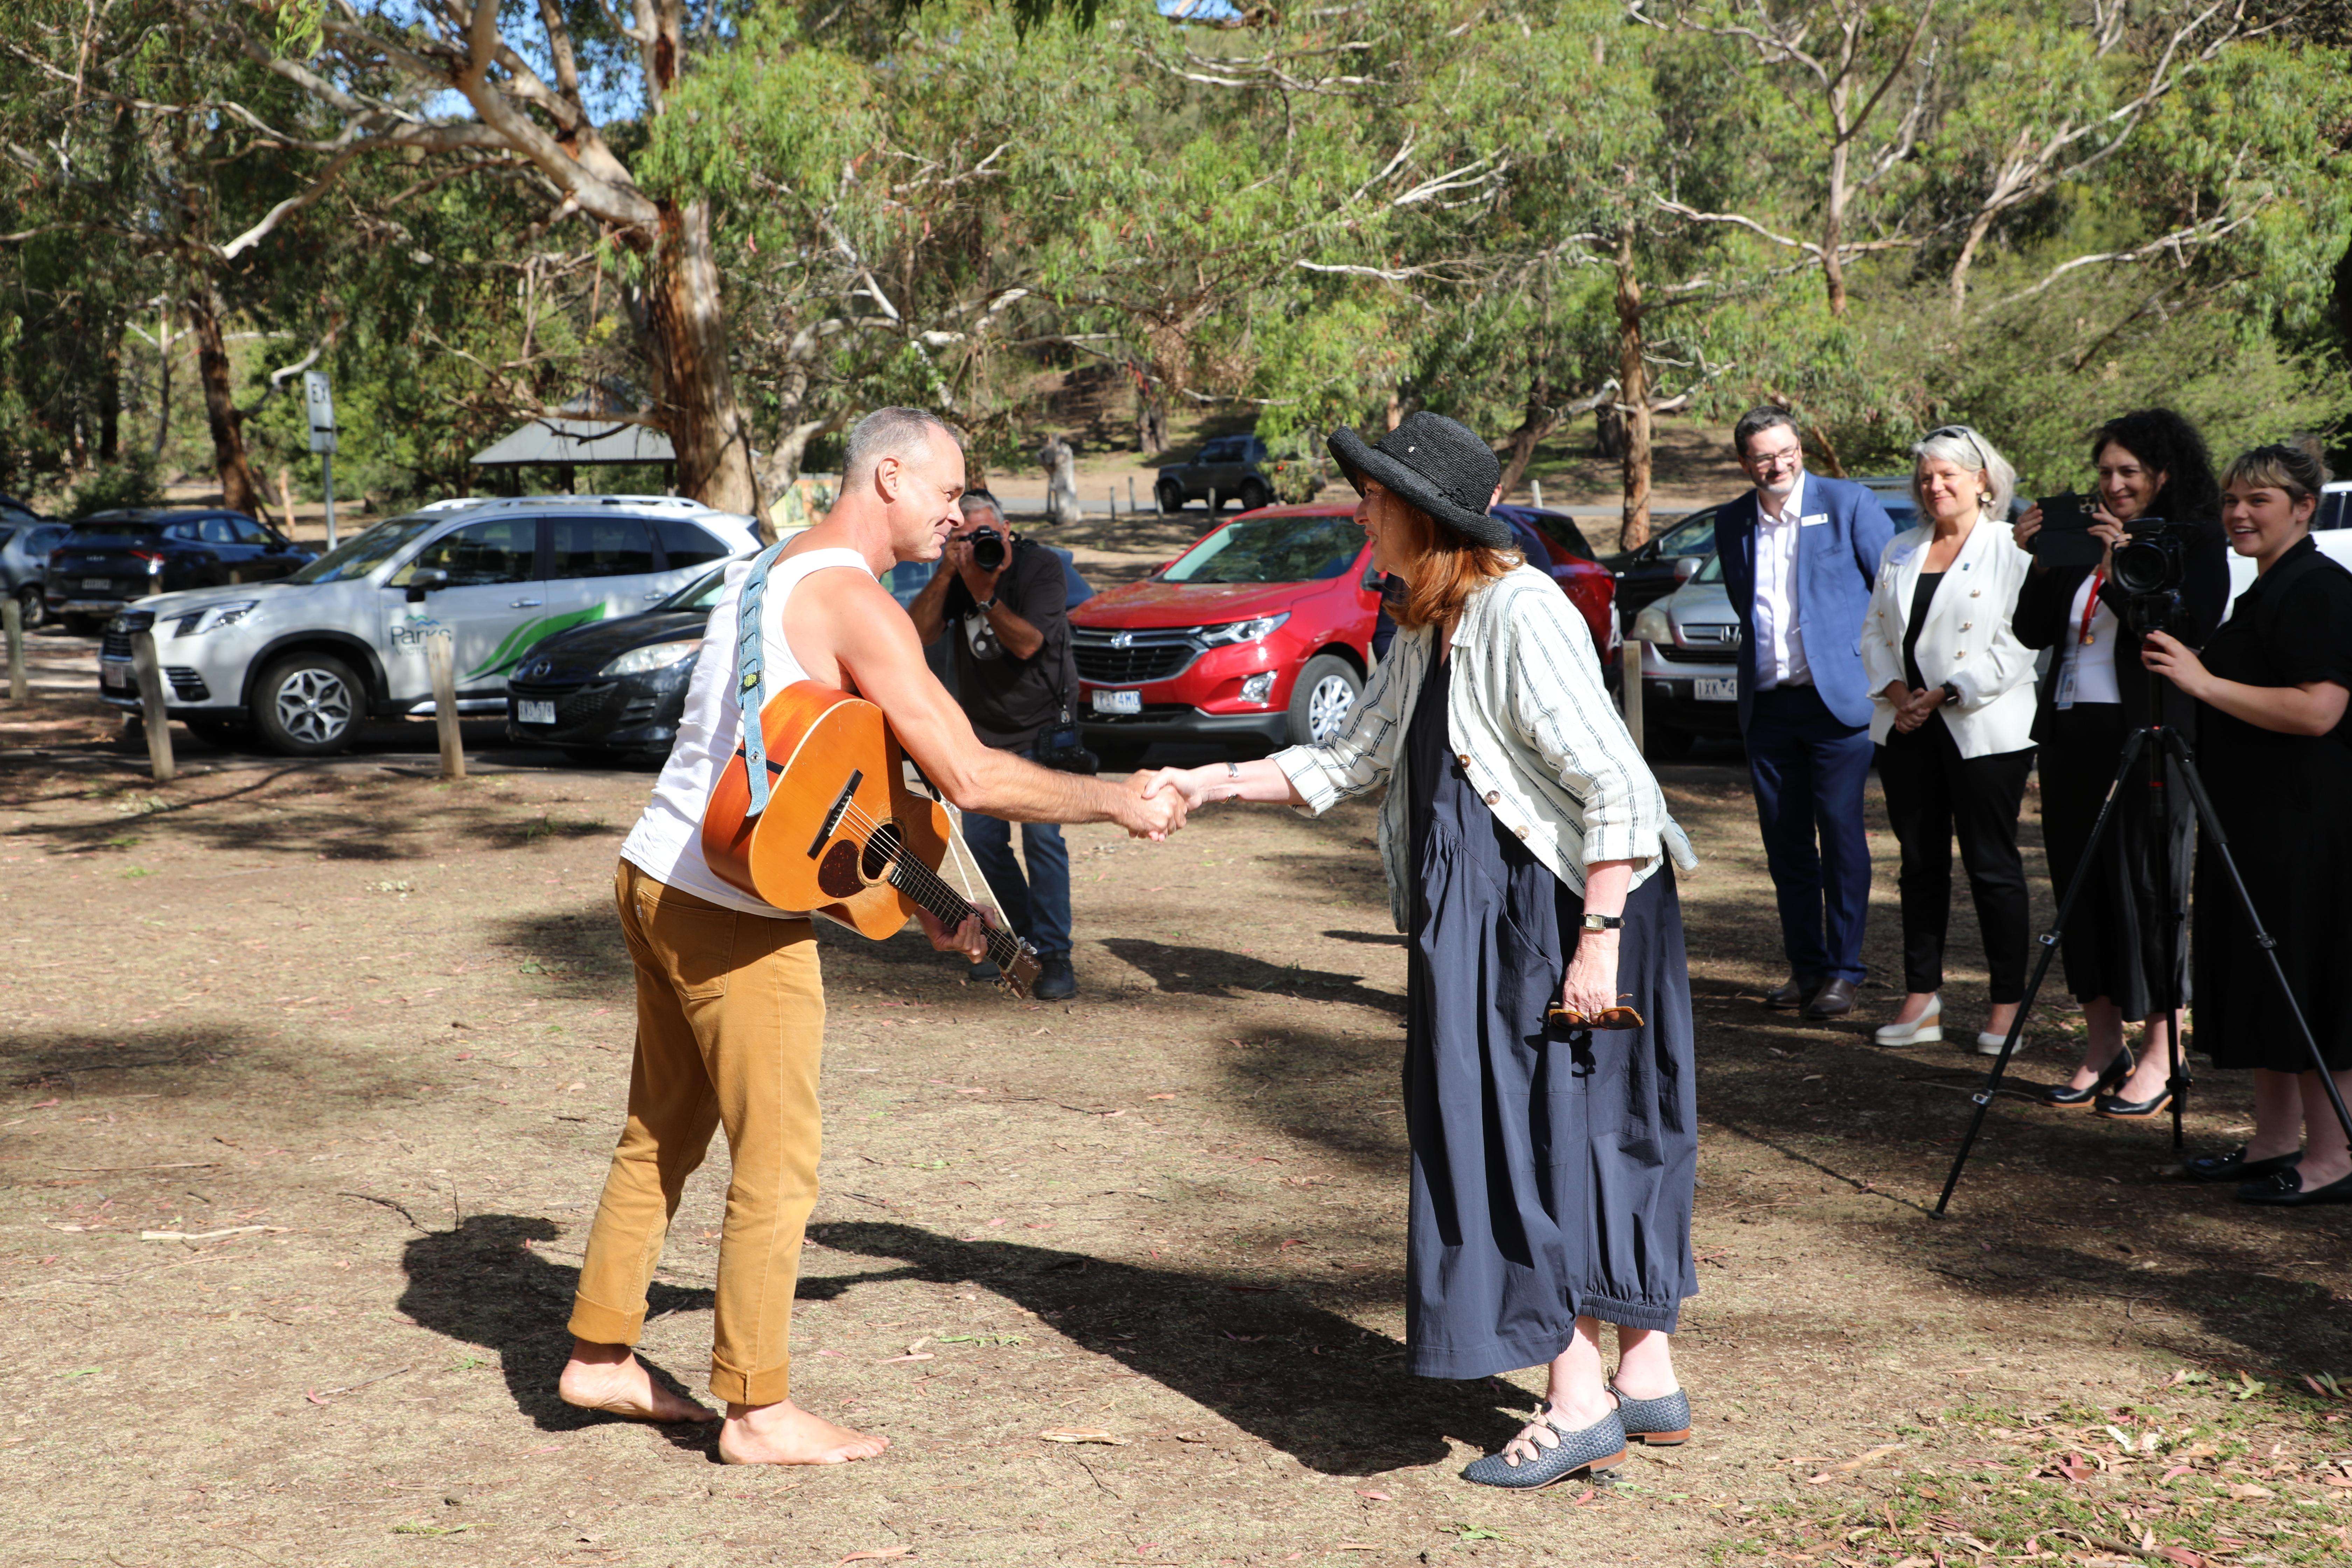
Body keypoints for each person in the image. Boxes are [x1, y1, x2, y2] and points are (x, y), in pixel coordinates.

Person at [556, 408, 1185, 1464]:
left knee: (660, 1132)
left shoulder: (772, 570)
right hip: (732, 917)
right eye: (946, 494)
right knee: (781, 1161)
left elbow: (821, 777)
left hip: (656, 872)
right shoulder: (857, 601)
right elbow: (972, 775)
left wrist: (921, 898)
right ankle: (757, 1411)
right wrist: (1115, 800)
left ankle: (602, 1352)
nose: (957, 515)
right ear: (887, 476)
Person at [1146, 411, 1702, 1490]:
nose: (1361, 510)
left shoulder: (1518, 611)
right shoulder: (1423, 623)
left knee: (1523, 1144)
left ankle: (1579, 1401)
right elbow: (1352, 757)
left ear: (1420, 515)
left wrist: (1596, 946)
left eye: (1373, 497)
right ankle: (1647, 1380)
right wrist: (1206, 783)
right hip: (1501, 917)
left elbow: (1616, 787)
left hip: (1563, 914)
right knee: (1583, 1138)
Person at [2142, 442, 2352, 1203]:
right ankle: (2272, 1143)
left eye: (2258, 500)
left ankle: (2333, 1157)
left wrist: (2202, 679)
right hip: (2254, 821)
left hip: (2308, 825)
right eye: (2232, 499)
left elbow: (2319, 710)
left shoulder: (2319, 588)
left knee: (2310, 979)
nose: (2238, 512)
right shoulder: (2265, 588)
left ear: (2305, 507)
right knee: (2268, 975)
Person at [2011, 409, 2227, 1117]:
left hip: (2151, 731)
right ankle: (2103, 1044)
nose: (2114, 483)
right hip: (2075, 733)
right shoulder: (2081, 538)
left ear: (2163, 474)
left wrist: (2117, 563)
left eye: (2129, 471)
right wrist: (2045, 559)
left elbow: (2180, 629)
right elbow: (2032, 630)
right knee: (2079, 887)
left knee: (2149, 888)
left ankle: (2165, 1053)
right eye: (2106, 471)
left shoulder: (2193, 541)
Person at [1859, 426, 2039, 1053]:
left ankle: (2007, 1004)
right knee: (1919, 864)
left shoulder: (2011, 547)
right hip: (1907, 727)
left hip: (1982, 728)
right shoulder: (1900, 547)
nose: (1934, 486)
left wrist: (1947, 692)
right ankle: (1921, 998)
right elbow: (1875, 631)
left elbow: (2021, 641)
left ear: (1983, 480)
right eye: (1927, 477)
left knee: (1992, 867)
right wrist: (1898, 692)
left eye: (1948, 475)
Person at [1715, 407, 1898, 1019]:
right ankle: (1808, 967)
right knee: (1786, 847)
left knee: (1843, 838)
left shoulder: (1849, 505)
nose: (1779, 464)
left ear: (1801, 449)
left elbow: (1889, 596)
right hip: (1768, 708)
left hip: (1839, 705)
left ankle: (1846, 972)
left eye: (1786, 450)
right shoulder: (1733, 521)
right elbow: (1749, 606)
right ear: (1746, 463)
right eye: (1764, 456)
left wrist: (1890, 683)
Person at [908, 488, 1082, 1001]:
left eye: (986, 536)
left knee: (1043, 841)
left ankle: (1056, 956)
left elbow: (1029, 643)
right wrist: (948, 573)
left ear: (1006, 532)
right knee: (985, 844)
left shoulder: (1041, 568)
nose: (977, 545)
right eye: (963, 538)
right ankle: (1023, 940)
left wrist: (985, 593)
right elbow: (916, 634)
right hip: (981, 736)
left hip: (1042, 730)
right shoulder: (956, 573)